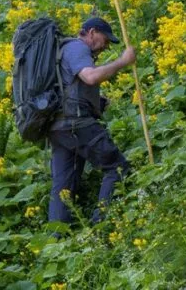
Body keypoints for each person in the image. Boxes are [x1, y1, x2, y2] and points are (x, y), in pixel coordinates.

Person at [48, 15, 136, 224]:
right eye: (105, 41)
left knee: (63, 187)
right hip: (75, 124)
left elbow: (71, 86)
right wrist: (123, 61)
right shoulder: (78, 48)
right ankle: (102, 224)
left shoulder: (62, 50)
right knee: (117, 167)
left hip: (57, 127)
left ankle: (57, 239)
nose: (105, 47)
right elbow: (91, 76)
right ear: (92, 33)